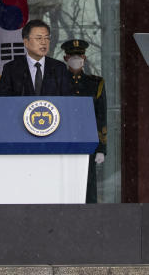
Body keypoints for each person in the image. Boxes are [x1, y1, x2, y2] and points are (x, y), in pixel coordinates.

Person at [62, 38, 107, 204]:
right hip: (63, 140)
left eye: (79, 56)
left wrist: (101, 147)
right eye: (72, 56)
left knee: (88, 186)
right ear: (66, 58)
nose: (76, 59)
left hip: (87, 140)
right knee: (64, 184)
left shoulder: (95, 83)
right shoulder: (57, 82)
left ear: (85, 58)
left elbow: (101, 116)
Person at [0, 19, 71, 96]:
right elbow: (2, 102)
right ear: (26, 42)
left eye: (47, 38)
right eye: (39, 38)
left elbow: (67, 101)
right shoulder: (11, 69)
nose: (44, 42)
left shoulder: (59, 68)